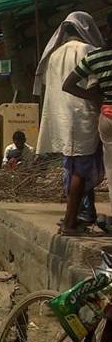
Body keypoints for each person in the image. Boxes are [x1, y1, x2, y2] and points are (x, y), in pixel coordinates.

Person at [36, 12, 104, 234]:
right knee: (82, 171)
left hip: (61, 119)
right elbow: (95, 87)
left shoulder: (54, 55)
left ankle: (83, 213)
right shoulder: (88, 51)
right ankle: (70, 221)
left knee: (72, 167)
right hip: (83, 117)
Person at [65, 28, 112, 232]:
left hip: (108, 116)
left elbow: (68, 85)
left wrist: (93, 97)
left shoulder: (95, 56)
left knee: (111, 169)